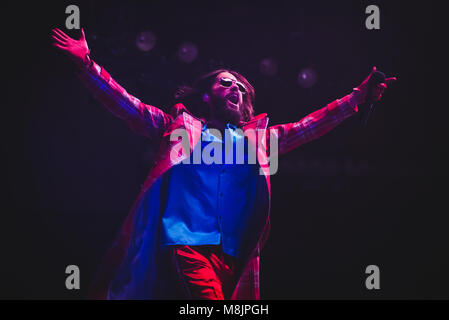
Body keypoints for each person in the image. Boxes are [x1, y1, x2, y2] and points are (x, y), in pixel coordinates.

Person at [51, 28, 396, 299]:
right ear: (208, 94)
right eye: (226, 83)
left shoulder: (258, 141)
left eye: (242, 88)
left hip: (235, 255)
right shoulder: (179, 128)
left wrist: (356, 99)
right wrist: (86, 65)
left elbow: (308, 126)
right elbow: (125, 103)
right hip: (186, 243)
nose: (236, 89)